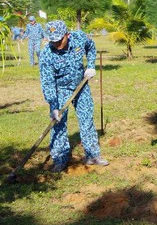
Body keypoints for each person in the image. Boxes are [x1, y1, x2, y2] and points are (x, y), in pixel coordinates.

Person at [39, 20, 107, 173]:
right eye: (53, 40)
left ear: (67, 35)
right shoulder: (46, 54)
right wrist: (53, 106)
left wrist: (90, 65)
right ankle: (60, 159)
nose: (55, 43)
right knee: (58, 123)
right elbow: (47, 82)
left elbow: (91, 46)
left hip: (81, 85)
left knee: (86, 117)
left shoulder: (79, 37)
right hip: (61, 89)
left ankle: (92, 155)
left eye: (58, 40)